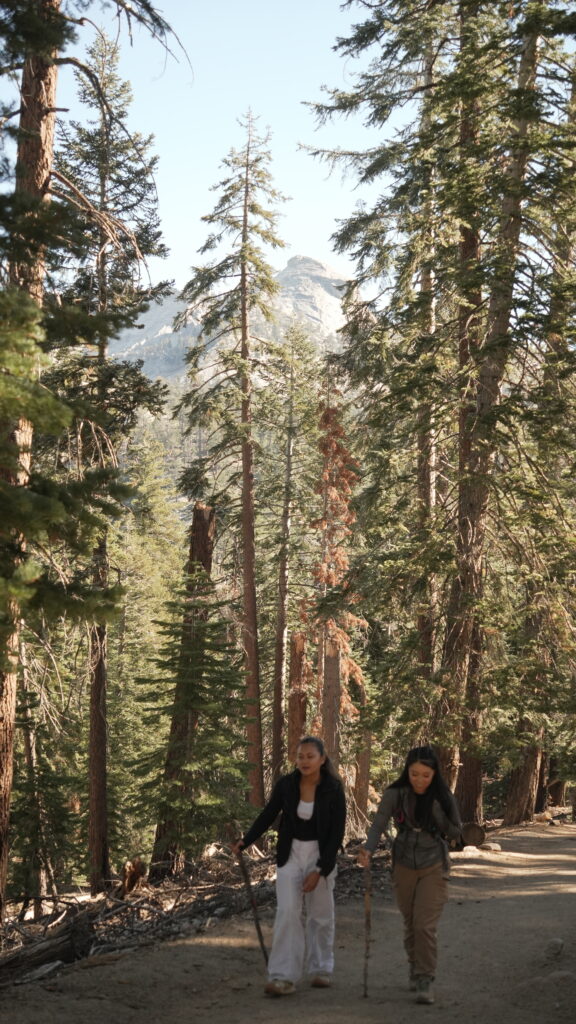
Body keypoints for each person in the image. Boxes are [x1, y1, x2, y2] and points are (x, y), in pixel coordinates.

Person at [231, 736, 346, 997]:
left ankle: (321, 969)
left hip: (320, 853)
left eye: (310, 756)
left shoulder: (333, 789)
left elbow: (336, 834)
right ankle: (283, 976)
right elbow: (268, 814)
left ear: (322, 759)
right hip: (290, 853)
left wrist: (320, 870)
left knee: (321, 914)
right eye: (300, 756)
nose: (304, 761)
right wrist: (245, 841)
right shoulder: (287, 785)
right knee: (287, 911)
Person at [357, 745, 462, 1005]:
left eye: (425, 775)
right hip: (403, 862)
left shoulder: (443, 795)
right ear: (407, 771)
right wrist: (367, 849)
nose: (419, 780)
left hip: (434, 863)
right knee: (410, 922)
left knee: (424, 925)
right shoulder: (395, 793)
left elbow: (456, 833)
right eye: (414, 774)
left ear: (434, 773)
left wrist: (437, 814)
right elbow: (379, 823)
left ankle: (426, 978)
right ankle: (415, 968)